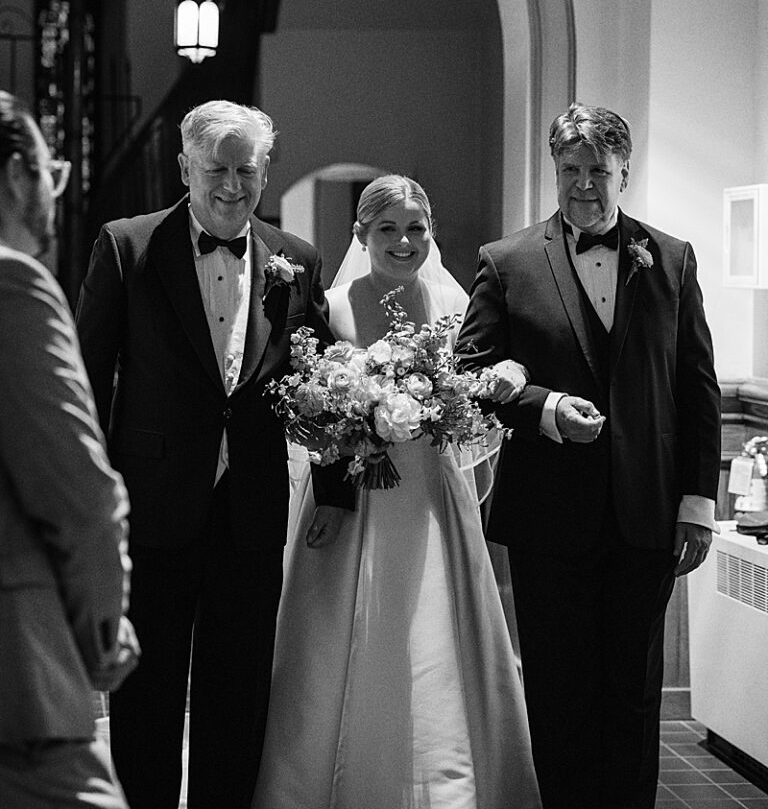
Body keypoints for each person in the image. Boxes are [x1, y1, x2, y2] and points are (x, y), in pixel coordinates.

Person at [75, 100, 354, 809]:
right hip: (152, 512)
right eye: (216, 169)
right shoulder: (127, 245)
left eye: (246, 169)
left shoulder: (297, 258)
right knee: (148, 702)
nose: (232, 185)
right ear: (184, 168)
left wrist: (336, 486)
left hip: (251, 513)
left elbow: (322, 381)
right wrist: (89, 508)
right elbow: (83, 377)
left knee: (238, 702)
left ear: (265, 171)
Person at [456, 103, 721, 809]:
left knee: (634, 700)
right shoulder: (506, 262)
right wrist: (542, 407)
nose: (583, 186)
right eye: (570, 171)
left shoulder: (672, 258)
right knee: (559, 692)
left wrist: (697, 505)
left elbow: (697, 391)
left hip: (649, 517)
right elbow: (471, 373)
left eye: (597, 171)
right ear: (555, 172)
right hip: (550, 517)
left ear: (623, 173)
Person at [252, 175, 542, 809]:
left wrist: (484, 388)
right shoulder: (330, 307)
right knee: (335, 639)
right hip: (352, 500)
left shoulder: (454, 307)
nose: (404, 241)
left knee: (436, 642)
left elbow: (480, 387)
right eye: (388, 228)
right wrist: (354, 419)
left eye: (416, 228)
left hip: (432, 497)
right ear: (361, 235)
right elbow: (309, 407)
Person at [0, 91, 139, 809]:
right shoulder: (13, 283)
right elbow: (81, 497)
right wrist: (103, 634)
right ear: (19, 176)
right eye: (51, 172)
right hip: (19, 680)